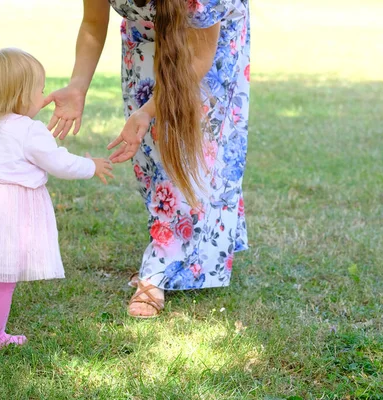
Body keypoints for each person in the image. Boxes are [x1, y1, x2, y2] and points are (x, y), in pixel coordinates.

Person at [45, 0, 251, 318]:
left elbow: (198, 57)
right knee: (147, 153)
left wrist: (147, 112)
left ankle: (156, 272)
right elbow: (92, 23)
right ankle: (177, 251)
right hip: (144, 39)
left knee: (189, 150)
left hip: (204, 44)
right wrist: (77, 87)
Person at [0, 48, 113, 347]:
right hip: (10, 208)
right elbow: (59, 162)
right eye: (40, 90)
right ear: (21, 96)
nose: (44, 96)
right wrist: (90, 166)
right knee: (6, 274)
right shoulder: (31, 131)